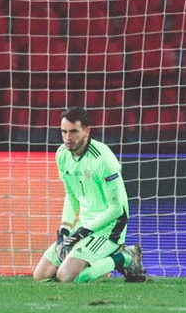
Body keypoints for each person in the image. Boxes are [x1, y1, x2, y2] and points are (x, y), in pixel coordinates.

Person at [32, 106, 146, 283]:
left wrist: (84, 231)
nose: (68, 138)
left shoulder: (103, 159)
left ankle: (125, 257)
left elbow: (116, 209)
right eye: (64, 132)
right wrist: (64, 229)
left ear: (86, 131)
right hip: (84, 225)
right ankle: (88, 260)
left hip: (109, 227)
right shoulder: (62, 155)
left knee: (67, 276)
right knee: (41, 276)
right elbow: (71, 195)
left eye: (73, 132)